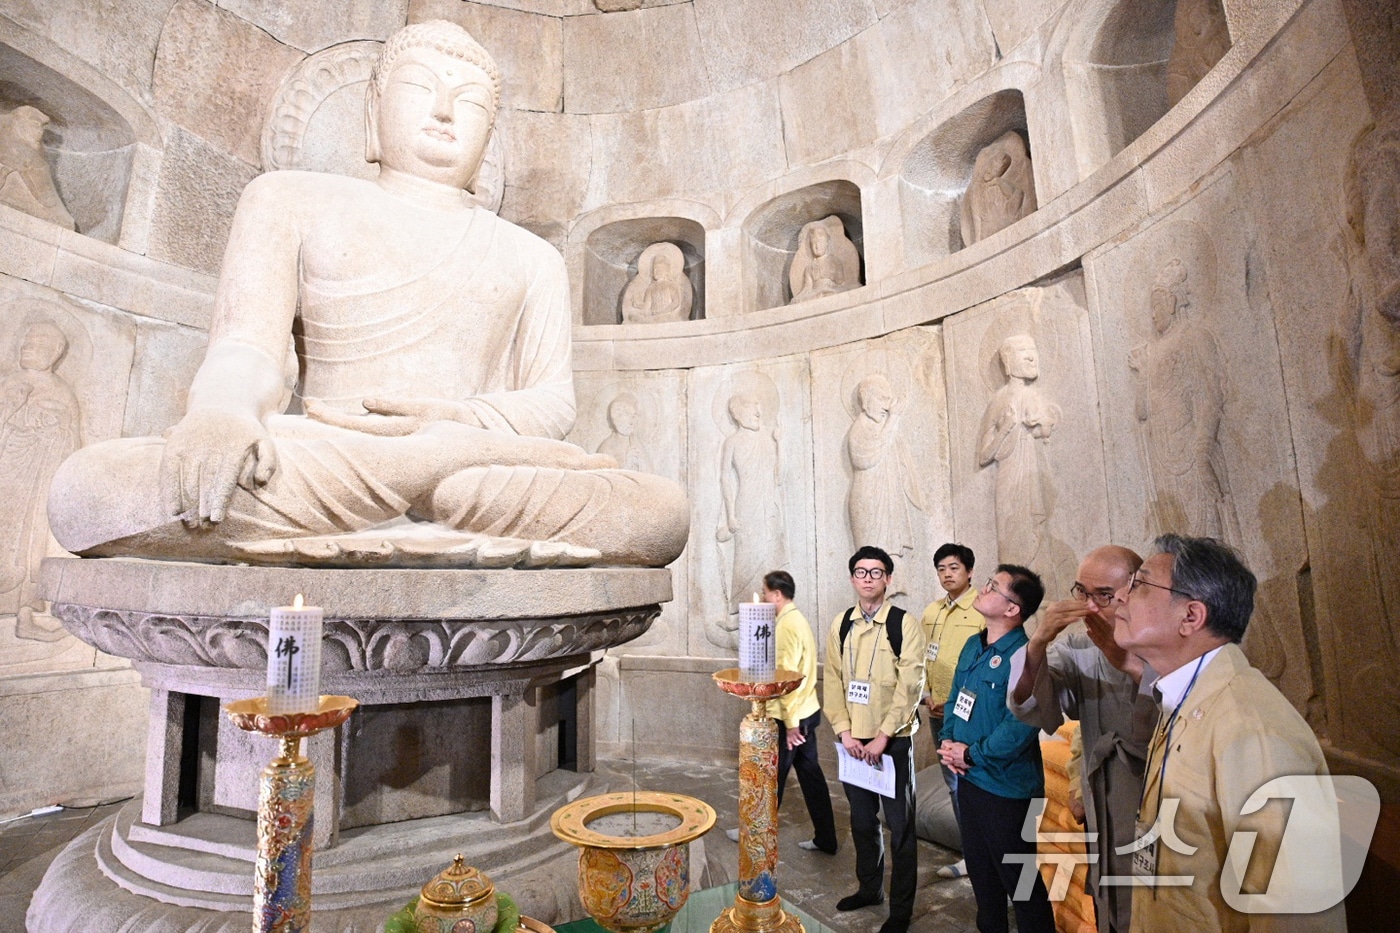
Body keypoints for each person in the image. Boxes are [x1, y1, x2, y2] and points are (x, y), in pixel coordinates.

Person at [46, 21, 688, 570]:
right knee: (90, 491)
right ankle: (422, 479)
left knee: (659, 512)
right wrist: (222, 412)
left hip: (478, 473)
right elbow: (248, 348)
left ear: (489, 134)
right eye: (418, 88)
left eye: (468, 102)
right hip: (330, 456)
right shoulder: (287, 198)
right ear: (374, 108)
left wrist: (459, 430)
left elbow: (551, 404)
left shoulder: (532, 256)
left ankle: (421, 481)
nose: (443, 112)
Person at [1113, 534, 1345, 932]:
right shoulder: (1180, 697)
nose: (1119, 595)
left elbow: (1295, 914)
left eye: (1139, 583)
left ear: (1191, 616)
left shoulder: (1253, 730)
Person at [1007, 545, 1156, 932]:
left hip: (1150, 799)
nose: (1089, 607)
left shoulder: (1162, 645)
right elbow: (1030, 704)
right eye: (1080, 593)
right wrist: (1038, 641)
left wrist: (1133, 667)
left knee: (1150, 904)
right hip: (1101, 798)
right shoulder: (1078, 648)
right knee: (1107, 895)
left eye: (1103, 595)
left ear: (1135, 590)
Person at [939, 565, 1055, 933]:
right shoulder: (975, 644)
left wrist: (971, 754)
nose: (984, 589)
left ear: (1011, 610)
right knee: (982, 880)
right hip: (970, 782)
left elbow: (1021, 725)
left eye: (994, 587)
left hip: (1007, 790)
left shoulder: (1025, 655)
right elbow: (957, 696)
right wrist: (947, 741)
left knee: (1022, 888)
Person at [822, 546, 927, 933]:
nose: (868, 578)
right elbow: (832, 679)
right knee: (862, 822)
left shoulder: (904, 624)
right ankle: (870, 889)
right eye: (861, 572)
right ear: (852, 578)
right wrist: (845, 732)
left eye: (876, 572)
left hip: (892, 743)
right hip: (853, 742)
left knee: (900, 828)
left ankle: (900, 910)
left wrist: (883, 736)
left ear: (888, 580)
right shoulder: (841, 624)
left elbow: (911, 684)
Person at [759, 570, 839, 853]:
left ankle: (758, 836)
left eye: (765, 593)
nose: (764, 598)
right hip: (806, 711)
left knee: (773, 775)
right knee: (811, 776)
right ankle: (826, 838)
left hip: (791, 717)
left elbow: (787, 678)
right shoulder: (795, 619)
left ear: (777, 595)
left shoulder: (786, 626)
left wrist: (791, 725)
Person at [918, 542, 980, 880]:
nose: (947, 574)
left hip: (970, 714)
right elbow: (925, 658)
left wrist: (957, 700)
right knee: (952, 784)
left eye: (953, 568)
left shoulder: (983, 611)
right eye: (941, 568)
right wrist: (927, 694)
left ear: (969, 571)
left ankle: (984, 854)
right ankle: (971, 853)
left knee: (972, 782)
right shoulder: (932, 612)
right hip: (937, 712)